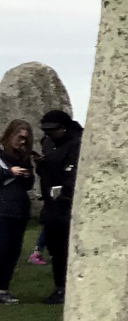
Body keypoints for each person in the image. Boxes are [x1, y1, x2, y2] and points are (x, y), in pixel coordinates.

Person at [36, 111, 82, 306]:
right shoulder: (48, 144)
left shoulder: (77, 143)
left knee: (68, 249)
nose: (49, 134)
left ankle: (72, 286)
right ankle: (60, 287)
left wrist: (66, 189)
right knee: (56, 250)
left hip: (67, 205)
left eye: (52, 130)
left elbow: (74, 172)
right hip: (51, 205)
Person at [0, 120, 35, 304]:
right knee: (2, 249)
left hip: (18, 210)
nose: (22, 142)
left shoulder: (23, 157)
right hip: (2, 209)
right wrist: (9, 173)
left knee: (13, 252)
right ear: (10, 135)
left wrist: (28, 174)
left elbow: (28, 186)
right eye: (20, 137)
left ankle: (3, 288)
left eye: (25, 139)